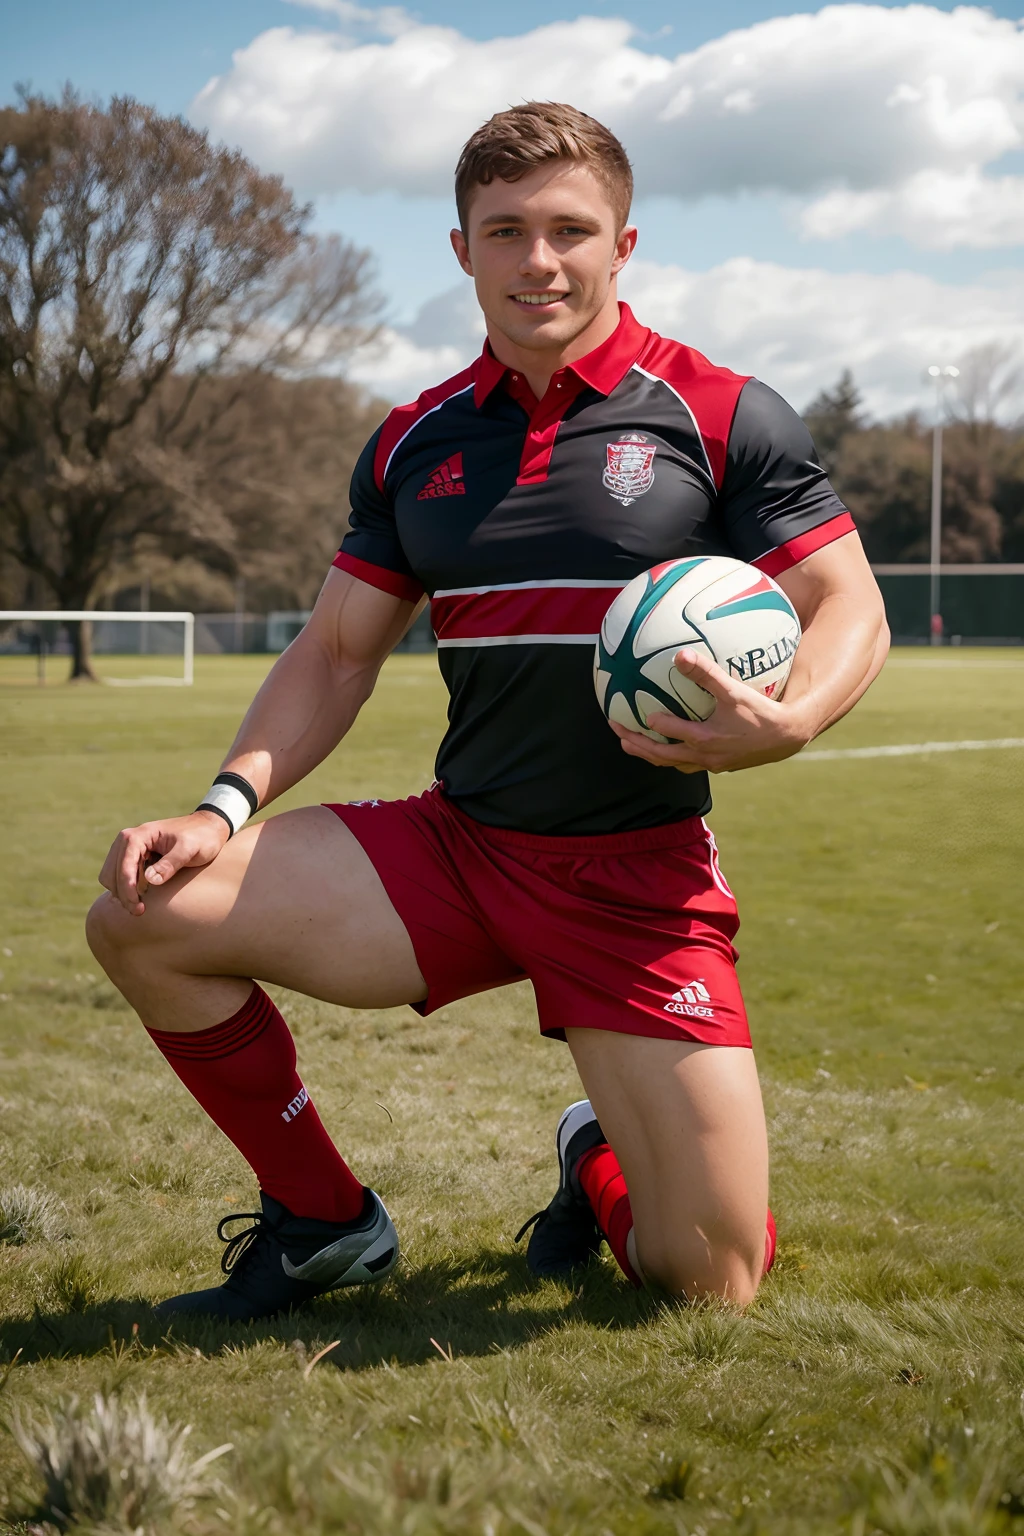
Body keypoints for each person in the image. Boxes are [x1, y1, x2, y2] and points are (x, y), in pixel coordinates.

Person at [86, 102, 888, 1321]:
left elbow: (850, 606)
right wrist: (223, 802)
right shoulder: (417, 440)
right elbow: (339, 651)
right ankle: (322, 1225)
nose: (539, 260)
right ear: (462, 250)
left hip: (636, 882)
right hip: (462, 852)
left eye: (571, 229)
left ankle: (594, 1154)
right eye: (505, 231)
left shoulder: (719, 414)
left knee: (711, 1279)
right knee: (143, 916)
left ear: (624, 246)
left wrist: (792, 720)